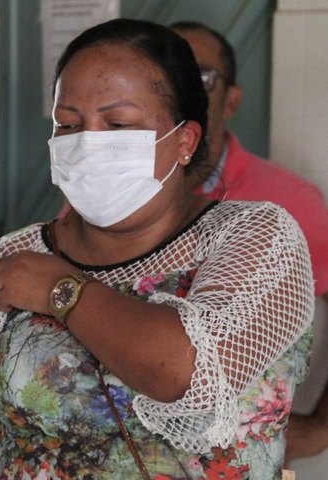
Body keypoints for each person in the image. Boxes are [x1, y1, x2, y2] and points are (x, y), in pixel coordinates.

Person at [0, 18, 314, 479]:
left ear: (185, 142)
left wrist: (61, 288)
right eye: (69, 124)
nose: (89, 143)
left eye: (118, 123)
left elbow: (185, 373)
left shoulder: (256, 238)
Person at [168, 21, 328, 464]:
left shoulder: (290, 201)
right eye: (163, 71)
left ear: (231, 99)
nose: (180, 88)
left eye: (199, 75)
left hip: (240, 461)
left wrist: (321, 426)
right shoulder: (112, 198)